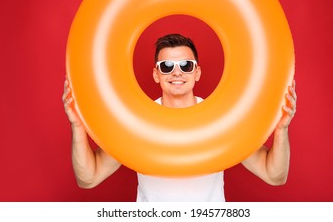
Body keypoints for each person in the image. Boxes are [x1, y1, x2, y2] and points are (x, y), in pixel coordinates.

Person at [62, 33, 297, 201]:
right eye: (166, 66)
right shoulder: (136, 122)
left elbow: (274, 175)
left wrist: (281, 130)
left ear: (197, 72)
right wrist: (77, 126)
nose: (177, 72)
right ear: (156, 74)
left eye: (186, 65)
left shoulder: (221, 119)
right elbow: (88, 179)